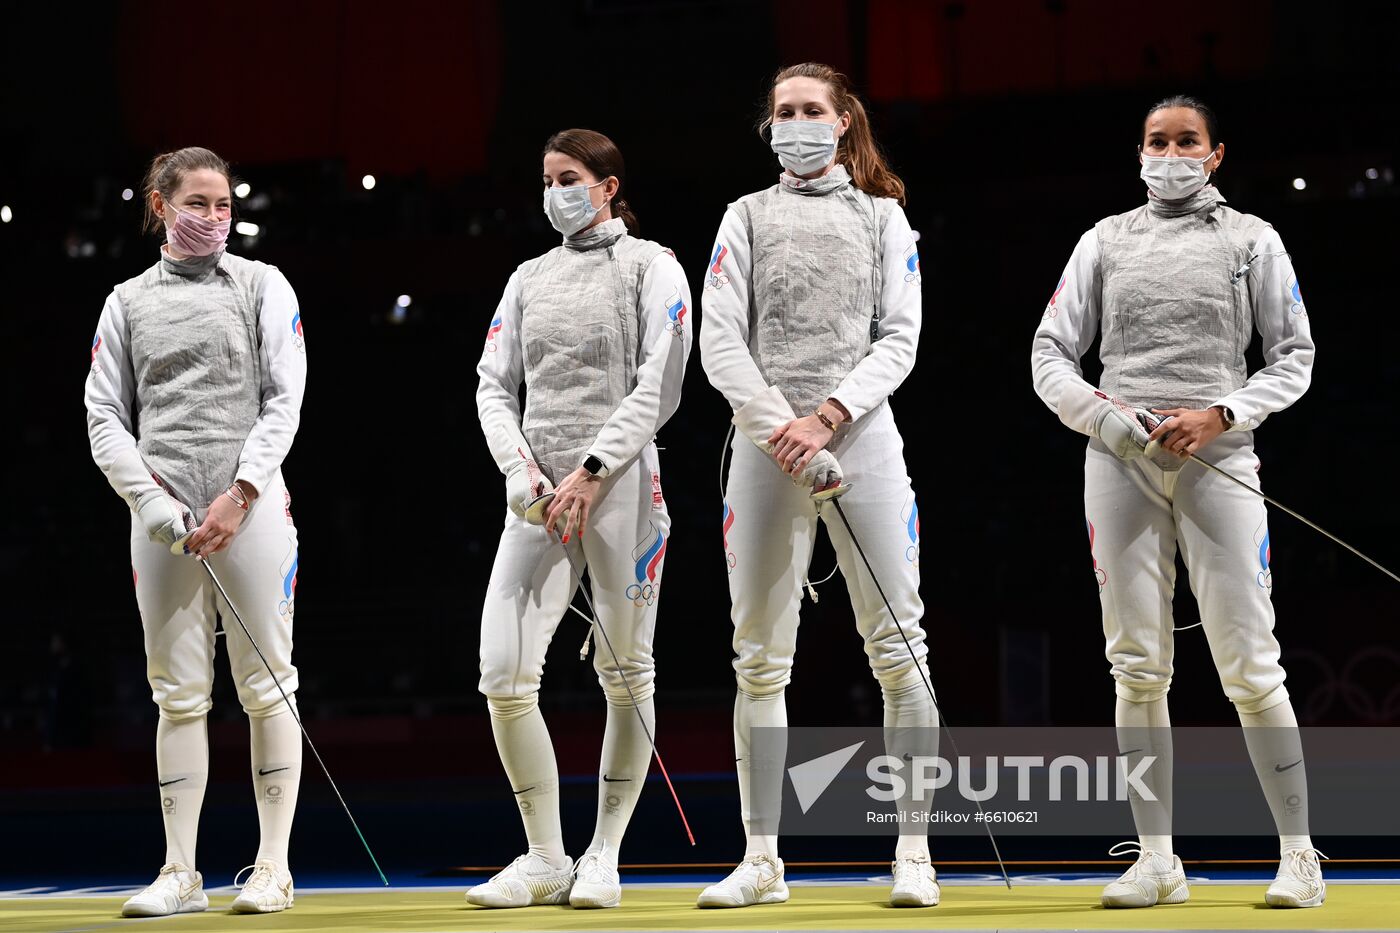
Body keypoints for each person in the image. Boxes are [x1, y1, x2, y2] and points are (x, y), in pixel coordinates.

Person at [1031, 95, 1324, 909]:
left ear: (1215, 153)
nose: (1170, 151)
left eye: (1185, 140)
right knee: (1136, 664)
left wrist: (1221, 413)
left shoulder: (1250, 239)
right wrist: (1114, 420)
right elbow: (1051, 352)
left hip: (1219, 459)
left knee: (1250, 663)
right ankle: (1157, 859)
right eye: (1157, 141)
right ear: (1139, 152)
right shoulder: (1106, 239)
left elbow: (1294, 355)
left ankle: (1300, 854)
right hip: (1119, 463)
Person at [698, 63, 938, 909]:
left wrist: (829, 416)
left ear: (843, 123)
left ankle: (915, 850)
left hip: (864, 443)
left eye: (811, 110)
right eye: (782, 112)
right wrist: (784, 429)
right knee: (758, 657)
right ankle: (762, 856)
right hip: (767, 452)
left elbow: (900, 336)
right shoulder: (745, 215)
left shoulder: (883, 217)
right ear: (770, 128)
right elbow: (720, 340)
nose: (795, 122)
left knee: (899, 647)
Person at [470, 128, 692, 910]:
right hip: (537, 497)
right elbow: (493, 385)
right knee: (503, 672)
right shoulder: (528, 277)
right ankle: (543, 855)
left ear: (606, 185)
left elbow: (659, 382)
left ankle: (603, 853)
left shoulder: (652, 265)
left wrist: (594, 470)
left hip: (621, 488)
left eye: (569, 177)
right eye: (546, 178)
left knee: (626, 671)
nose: (555, 190)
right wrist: (525, 472)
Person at [85, 147, 308, 916]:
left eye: (225, 203)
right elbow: (104, 415)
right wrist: (154, 504)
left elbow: (285, 397)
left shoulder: (260, 284)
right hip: (165, 522)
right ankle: (181, 871)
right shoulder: (126, 301)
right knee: (178, 695)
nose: (216, 216)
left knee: (267, 683)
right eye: (200, 202)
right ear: (159, 204)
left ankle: (272, 867)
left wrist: (240, 492)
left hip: (249, 514)